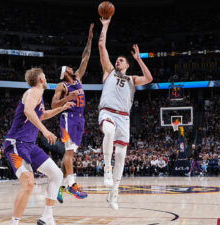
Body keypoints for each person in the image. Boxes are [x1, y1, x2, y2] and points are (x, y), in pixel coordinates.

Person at [4, 68, 74, 225]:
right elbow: (29, 111)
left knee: (56, 174)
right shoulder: (34, 91)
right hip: (17, 143)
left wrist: (61, 108)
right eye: (45, 76)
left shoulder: (38, 96)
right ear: (40, 79)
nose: (46, 78)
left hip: (29, 145)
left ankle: (47, 217)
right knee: (29, 183)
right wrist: (45, 130)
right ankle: (14, 223)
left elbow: (43, 115)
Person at [98, 16, 153, 210]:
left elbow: (149, 78)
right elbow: (101, 47)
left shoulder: (132, 79)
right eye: (117, 60)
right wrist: (105, 26)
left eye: (121, 60)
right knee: (109, 132)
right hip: (108, 112)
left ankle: (114, 193)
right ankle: (106, 168)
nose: (117, 61)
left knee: (121, 154)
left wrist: (139, 59)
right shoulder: (109, 71)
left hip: (124, 118)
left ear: (127, 64)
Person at [51, 24, 93, 202]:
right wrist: (68, 98)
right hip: (68, 119)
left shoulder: (78, 78)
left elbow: (85, 57)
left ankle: (58, 187)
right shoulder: (63, 86)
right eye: (68, 67)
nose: (72, 67)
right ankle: (71, 185)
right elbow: (53, 104)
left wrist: (90, 38)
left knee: (70, 155)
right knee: (69, 153)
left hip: (80, 120)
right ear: (64, 72)